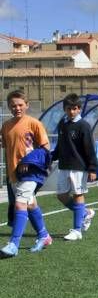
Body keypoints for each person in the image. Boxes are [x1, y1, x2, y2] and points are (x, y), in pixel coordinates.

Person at [0, 90, 51, 257]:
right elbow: (8, 148)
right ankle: (44, 236)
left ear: (27, 105)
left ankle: (13, 244)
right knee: (30, 204)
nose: (17, 108)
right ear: (8, 107)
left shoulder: (34, 123)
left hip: (30, 173)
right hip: (14, 174)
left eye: (20, 105)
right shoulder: (6, 126)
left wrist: (28, 162)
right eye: (13, 105)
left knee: (20, 204)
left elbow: (46, 148)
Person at [54, 93, 98, 241]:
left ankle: (77, 230)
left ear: (79, 109)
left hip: (79, 167)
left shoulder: (83, 126)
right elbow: (60, 145)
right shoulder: (62, 124)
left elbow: (90, 148)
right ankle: (85, 213)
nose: (72, 111)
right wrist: (51, 157)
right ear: (64, 109)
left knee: (77, 195)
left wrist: (92, 168)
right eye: (69, 108)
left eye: (75, 108)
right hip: (63, 166)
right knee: (61, 196)